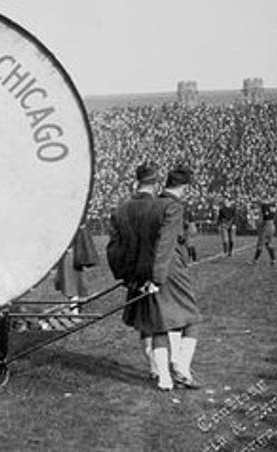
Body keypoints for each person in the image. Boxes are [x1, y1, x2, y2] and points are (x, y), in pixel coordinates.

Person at [107, 163, 163, 386]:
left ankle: (153, 366)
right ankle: (163, 369)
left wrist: (126, 276)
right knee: (161, 323)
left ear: (136, 183)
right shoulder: (162, 208)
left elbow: (113, 249)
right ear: (156, 184)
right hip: (157, 276)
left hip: (134, 279)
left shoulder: (121, 210)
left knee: (144, 325)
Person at [151, 167, 202, 390]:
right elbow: (167, 243)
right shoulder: (175, 207)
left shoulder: (154, 203)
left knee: (160, 322)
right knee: (192, 318)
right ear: (184, 187)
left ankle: (165, 377)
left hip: (154, 266)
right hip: (170, 269)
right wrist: (158, 276)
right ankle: (181, 366)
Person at [251, 197, 277, 265]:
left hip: (266, 226)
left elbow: (265, 216)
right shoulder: (272, 206)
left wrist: (261, 224)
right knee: (269, 243)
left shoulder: (264, 206)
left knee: (260, 244)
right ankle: (273, 259)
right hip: (272, 226)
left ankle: (255, 260)